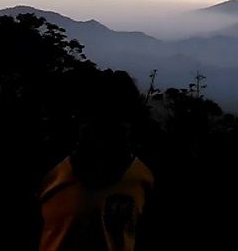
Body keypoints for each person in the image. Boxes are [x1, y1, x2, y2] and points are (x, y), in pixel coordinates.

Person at [37, 70, 153, 251]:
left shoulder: (146, 180)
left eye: (115, 121)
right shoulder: (48, 173)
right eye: (98, 120)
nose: (105, 133)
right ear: (80, 121)